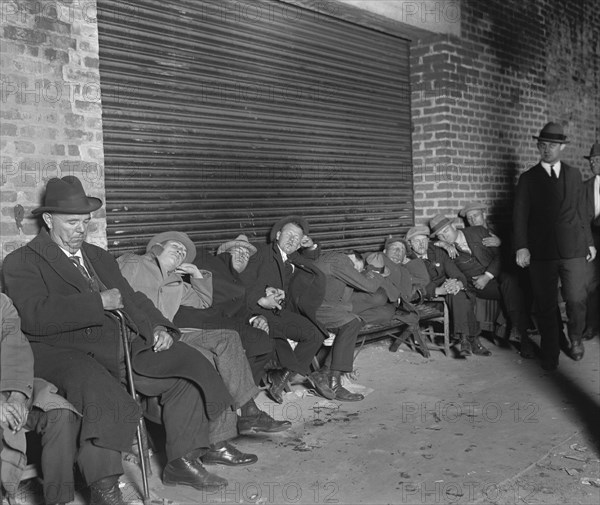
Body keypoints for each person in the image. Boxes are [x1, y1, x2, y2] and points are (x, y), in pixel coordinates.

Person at [2, 176, 255, 504]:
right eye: (72, 222)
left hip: (117, 343)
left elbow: (133, 298)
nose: (81, 229)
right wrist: (97, 304)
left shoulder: (98, 256)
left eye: (86, 222)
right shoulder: (22, 261)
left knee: (187, 369)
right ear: (48, 220)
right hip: (61, 350)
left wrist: (159, 328)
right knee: (103, 397)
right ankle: (104, 487)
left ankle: (183, 460)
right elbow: (35, 315)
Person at [118, 231, 290, 435]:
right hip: (140, 338)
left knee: (228, 338)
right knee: (207, 358)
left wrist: (196, 274)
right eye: (175, 247)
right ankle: (220, 436)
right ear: (157, 248)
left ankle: (249, 410)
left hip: (170, 336)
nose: (180, 252)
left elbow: (203, 301)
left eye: (183, 253)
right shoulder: (134, 263)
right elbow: (118, 293)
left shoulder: (177, 283)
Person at [514, 122, 596, 370]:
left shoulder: (574, 175)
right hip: (542, 252)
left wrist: (589, 243)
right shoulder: (528, 178)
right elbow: (520, 215)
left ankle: (575, 337)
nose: (546, 149)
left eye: (552, 145)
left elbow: (581, 213)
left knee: (576, 299)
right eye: (542, 145)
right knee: (546, 303)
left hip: (573, 249)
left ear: (561, 147)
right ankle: (551, 350)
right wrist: (521, 246)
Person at [239, 216, 332, 403]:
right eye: (288, 234)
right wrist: (261, 299)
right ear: (278, 235)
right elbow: (243, 282)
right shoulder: (261, 252)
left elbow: (310, 258)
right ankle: (296, 374)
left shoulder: (291, 258)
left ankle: (282, 375)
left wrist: (311, 245)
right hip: (257, 312)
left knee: (315, 333)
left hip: (279, 313)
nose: (291, 239)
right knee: (302, 335)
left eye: (297, 238)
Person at [1, 293, 80, 505]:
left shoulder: (2, 304)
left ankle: (58, 500)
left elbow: (16, 350)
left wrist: (17, 396)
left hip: (11, 388)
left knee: (60, 413)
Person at [429, 214, 532, 357]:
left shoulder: (477, 231)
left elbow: (499, 255)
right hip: (477, 286)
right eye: (440, 236)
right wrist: (442, 244)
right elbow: (421, 245)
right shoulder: (445, 249)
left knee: (510, 281)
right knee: (465, 294)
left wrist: (487, 276)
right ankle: (473, 339)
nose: (445, 237)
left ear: (454, 226)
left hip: (495, 275)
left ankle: (519, 332)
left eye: (446, 231)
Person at [314, 250, 389, 401]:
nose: (357, 273)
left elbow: (338, 302)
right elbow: (370, 287)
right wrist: (377, 274)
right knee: (352, 322)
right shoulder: (340, 260)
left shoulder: (332, 263)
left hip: (322, 309)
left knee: (353, 321)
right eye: (358, 269)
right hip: (315, 311)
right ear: (354, 258)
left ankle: (325, 374)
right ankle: (332, 381)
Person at [405, 225, 489, 357]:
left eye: (424, 240)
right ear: (410, 244)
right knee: (462, 297)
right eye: (416, 241)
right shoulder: (407, 260)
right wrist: (439, 290)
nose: (421, 244)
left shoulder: (438, 252)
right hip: (428, 299)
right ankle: (471, 339)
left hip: (449, 292)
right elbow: (412, 289)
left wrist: (457, 283)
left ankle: (464, 339)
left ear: (428, 240)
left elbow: (457, 273)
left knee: (458, 293)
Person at [584, 143, 600, 341]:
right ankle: (590, 326)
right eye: (592, 160)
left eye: (598, 160)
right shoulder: (585, 186)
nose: (594, 163)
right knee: (592, 283)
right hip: (592, 238)